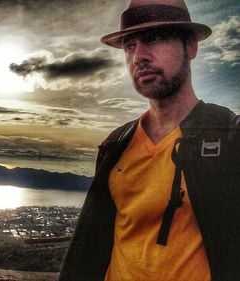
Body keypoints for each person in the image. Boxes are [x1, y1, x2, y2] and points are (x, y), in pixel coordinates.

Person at [59, 0, 240, 280]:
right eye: (130, 45)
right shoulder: (115, 145)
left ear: (190, 46)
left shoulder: (228, 137)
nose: (138, 56)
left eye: (153, 38)